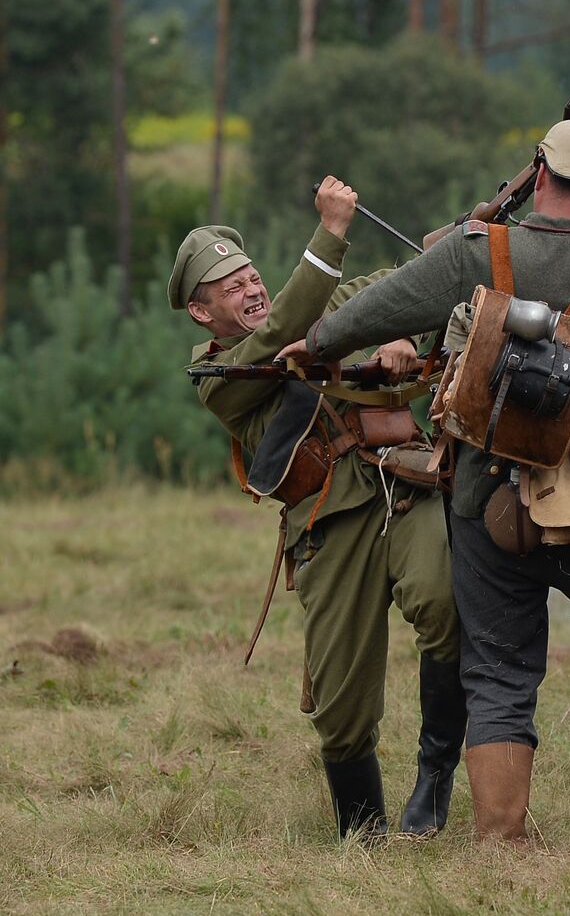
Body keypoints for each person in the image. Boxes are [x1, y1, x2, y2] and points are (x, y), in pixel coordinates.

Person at [276, 80, 570, 853]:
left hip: (484, 496)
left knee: (498, 672)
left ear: (538, 176)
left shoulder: (476, 250)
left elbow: (387, 305)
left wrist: (320, 341)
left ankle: (501, 843)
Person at [169, 177, 467, 840]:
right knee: (339, 707)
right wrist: (330, 231)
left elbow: (407, 285)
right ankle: (362, 835)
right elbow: (284, 336)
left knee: (444, 600)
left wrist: (457, 246)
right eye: (230, 287)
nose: (250, 288)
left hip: (404, 483)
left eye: (250, 275)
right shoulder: (219, 374)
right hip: (328, 527)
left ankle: (436, 774)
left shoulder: (326, 304)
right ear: (201, 312)